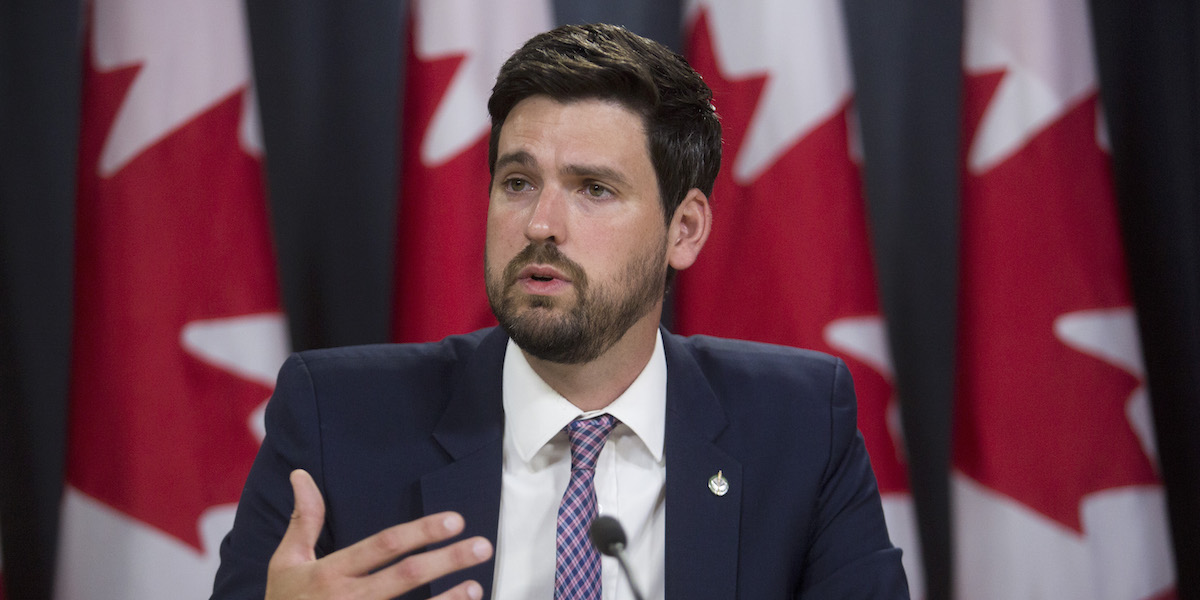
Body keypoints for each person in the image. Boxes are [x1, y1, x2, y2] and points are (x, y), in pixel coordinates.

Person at [211, 23, 908, 600]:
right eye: (517, 182)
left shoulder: (797, 425)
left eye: (593, 189)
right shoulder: (337, 417)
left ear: (685, 230)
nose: (541, 222)